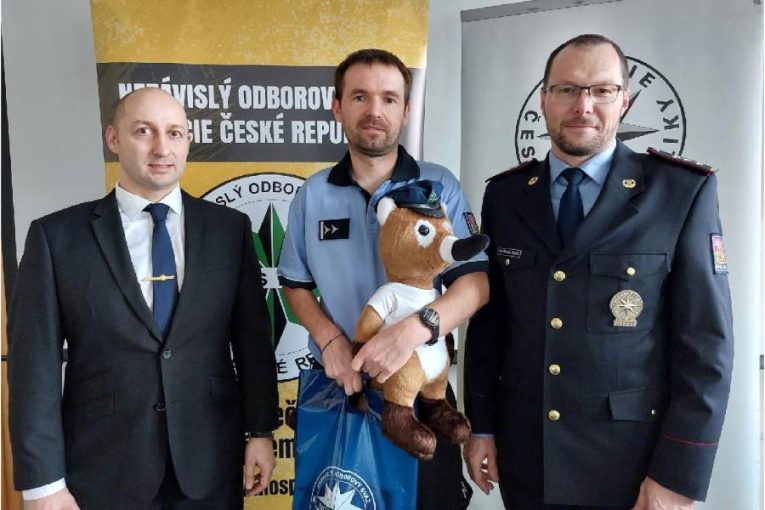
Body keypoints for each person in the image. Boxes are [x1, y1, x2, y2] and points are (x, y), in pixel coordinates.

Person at [463, 34, 734, 510]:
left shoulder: (679, 193)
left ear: (624, 101)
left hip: (630, 465)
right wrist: (480, 425)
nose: (583, 106)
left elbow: (706, 348)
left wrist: (678, 475)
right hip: (528, 459)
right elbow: (491, 326)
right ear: (543, 99)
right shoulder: (505, 196)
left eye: (602, 91)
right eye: (567, 89)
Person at [8, 87, 279, 510]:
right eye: (143, 131)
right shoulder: (57, 238)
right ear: (113, 139)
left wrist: (260, 431)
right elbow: (33, 366)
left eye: (175, 133)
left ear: (188, 141)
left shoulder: (229, 230)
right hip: (102, 473)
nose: (162, 148)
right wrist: (43, 484)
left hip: (210, 468)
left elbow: (253, 342)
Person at [278, 48, 489, 509]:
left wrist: (415, 329)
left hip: (424, 393)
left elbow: (475, 283)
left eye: (389, 99)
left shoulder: (440, 185)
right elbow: (295, 284)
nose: (375, 111)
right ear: (337, 108)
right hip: (342, 388)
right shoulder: (313, 194)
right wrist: (330, 341)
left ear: (406, 111)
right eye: (360, 97)